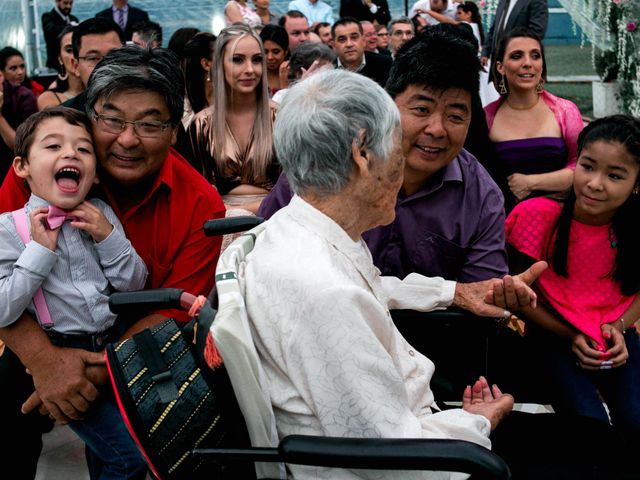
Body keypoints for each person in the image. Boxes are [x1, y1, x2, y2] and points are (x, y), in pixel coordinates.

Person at [0, 46, 225, 479]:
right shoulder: (39, 165)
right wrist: (48, 364)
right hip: (31, 333)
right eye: (113, 119)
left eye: (150, 123)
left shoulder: (200, 205)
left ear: (174, 130)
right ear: (90, 114)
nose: (127, 138)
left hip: (136, 348)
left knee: (145, 453)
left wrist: (91, 374)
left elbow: (169, 310)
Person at [260, 27, 508, 283]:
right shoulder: (326, 157)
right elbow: (265, 244)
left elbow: (481, 293)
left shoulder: (481, 197)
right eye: (422, 109)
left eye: (455, 116)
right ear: (387, 104)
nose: (437, 129)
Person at [0, 107, 148, 478]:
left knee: (106, 453)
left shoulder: (101, 214)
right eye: (53, 146)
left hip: (111, 349)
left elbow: (135, 285)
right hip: (58, 351)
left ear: (94, 175)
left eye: (83, 150)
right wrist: (40, 252)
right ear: (22, 167)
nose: (70, 154)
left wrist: (107, 237)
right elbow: (3, 311)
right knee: (128, 457)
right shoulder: (8, 228)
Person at [505, 114, 640, 454]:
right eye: (588, 166)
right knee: (588, 425)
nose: (595, 183)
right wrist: (570, 335)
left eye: (614, 175)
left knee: (636, 419)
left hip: (615, 338)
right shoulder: (536, 216)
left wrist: (619, 328)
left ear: (637, 184)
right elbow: (518, 294)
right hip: (553, 337)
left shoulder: (636, 228)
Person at [485, 27, 583, 212]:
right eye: (517, 56)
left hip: (559, 220)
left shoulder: (565, 111)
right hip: (503, 223)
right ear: (500, 67)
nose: (528, 63)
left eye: (535, 55)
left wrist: (531, 183)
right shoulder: (487, 117)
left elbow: (582, 167)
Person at [188, 24, 278, 217]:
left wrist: (239, 212)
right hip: (218, 223)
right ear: (219, 64)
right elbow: (196, 192)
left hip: (275, 218)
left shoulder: (281, 117)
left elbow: (296, 188)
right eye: (237, 60)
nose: (250, 69)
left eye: (256, 60)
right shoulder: (202, 124)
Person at [62, 17, 124, 112]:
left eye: (113, 55)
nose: (105, 66)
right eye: (93, 58)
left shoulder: (147, 105)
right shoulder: (64, 119)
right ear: (76, 66)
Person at [480, 0, 548, 68]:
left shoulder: (536, 1)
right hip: (496, 62)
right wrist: (485, 52)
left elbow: (536, 32)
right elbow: (494, 29)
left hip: (519, 64)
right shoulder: (503, 2)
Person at [332, 17, 392, 88]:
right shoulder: (329, 70)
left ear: (363, 41)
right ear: (334, 46)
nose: (349, 44)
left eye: (354, 37)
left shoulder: (385, 64)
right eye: (342, 39)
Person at [0, 69, 38, 183]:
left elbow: (22, 146)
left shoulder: (24, 96)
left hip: (17, 169)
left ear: (1, 76)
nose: (20, 72)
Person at [38, 25, 85, 110]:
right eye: (69, 50)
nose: (75, 56)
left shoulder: (104, 93)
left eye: (79, 49)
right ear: (60, 58)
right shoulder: (49, 98)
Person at [41, 0, 79, 70]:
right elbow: (51, 31)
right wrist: (70, 26)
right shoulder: (48, 17)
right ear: (57, 2)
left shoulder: (74, 19)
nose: (68, 6)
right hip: (55, 65)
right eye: (65, 3)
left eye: (71, 3)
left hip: (72, 63)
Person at [260, 24, 289, 97]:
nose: (270, 57)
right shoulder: (254, 74)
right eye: (265, 52)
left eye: (276, 52)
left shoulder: (294, 75)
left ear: (286, 52)